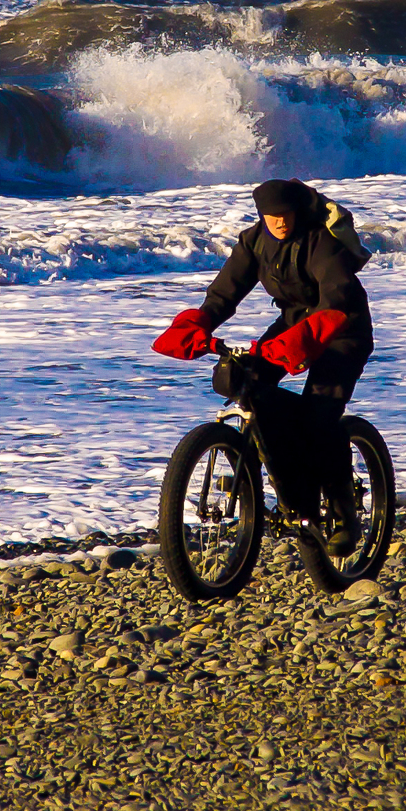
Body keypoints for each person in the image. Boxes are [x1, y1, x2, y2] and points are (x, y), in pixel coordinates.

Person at [151, 178, 373, 552]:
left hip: (341, 328)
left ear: (296, 212)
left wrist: (300, 338)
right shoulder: (253, 242)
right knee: (246, 380)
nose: (280, 223)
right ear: (262, 216)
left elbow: (337, 295)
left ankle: (343, 513)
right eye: (272, 217)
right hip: (293, 323)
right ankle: (271, 469)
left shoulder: (320, 240)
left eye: (286, 215)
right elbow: (224, 293)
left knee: (320, 416)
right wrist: (199, 324)